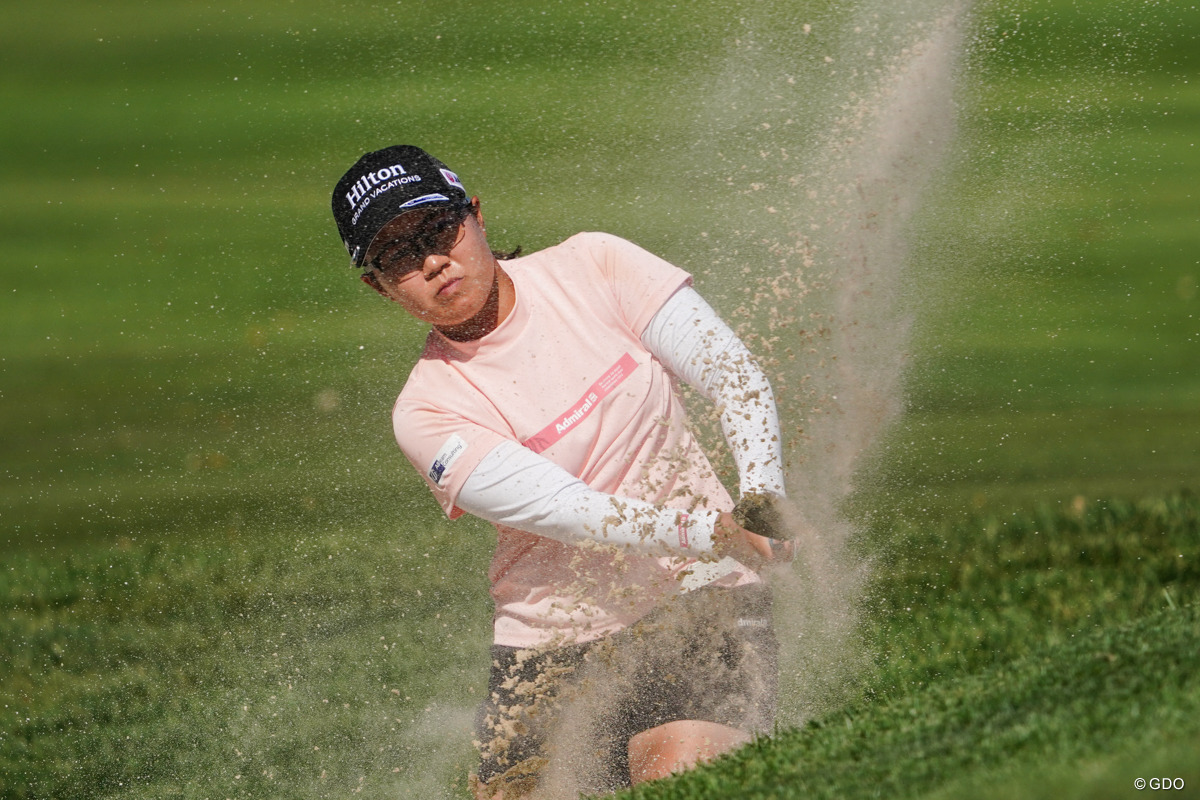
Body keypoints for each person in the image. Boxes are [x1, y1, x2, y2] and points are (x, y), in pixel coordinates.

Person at [330, 145, 792, 798]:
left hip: (703, 601)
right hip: (549, 652)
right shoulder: (426, 411)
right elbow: (569, 511)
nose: (431, 261)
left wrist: (763, 501)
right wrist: (715, 530)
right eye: (397, 255)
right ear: (377, 284)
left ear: (477, 216)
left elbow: (734, 376)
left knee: (677, 782)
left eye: (437, 229)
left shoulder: (594, 265)